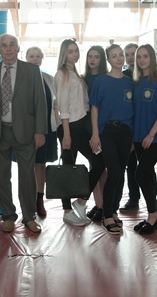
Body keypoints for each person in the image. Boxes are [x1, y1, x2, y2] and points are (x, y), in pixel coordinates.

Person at [0, 34, 47, 234]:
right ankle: (8, 216)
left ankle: (29, 217)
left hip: (25, 132)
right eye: (4, 46)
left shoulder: (32, 71)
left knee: (27, 176)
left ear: (18, 48)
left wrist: (40, 131)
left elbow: (40, 103)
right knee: (1, 176)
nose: (8, 49)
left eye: (12, 45)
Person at [53, 39, 102, 226]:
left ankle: (81, 201)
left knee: (99, 162)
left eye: (76, 51)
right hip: (70, 126)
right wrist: (66, 134)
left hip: (81, 125)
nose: (74, 54)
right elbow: (62, 106)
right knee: (68, 168)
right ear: (63, 54)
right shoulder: (62, 75)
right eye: (70, 51)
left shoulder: (77, 75)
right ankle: (67, 211)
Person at [89, 44, 134, 235]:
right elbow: (94, 108)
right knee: (113, 172)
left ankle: (113, 210)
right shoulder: (101, 81)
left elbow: (133, 110)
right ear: (108, 59)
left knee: (121, 173)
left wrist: (133, 138)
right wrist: (95, 134)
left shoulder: (130, 82)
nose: (118, 58)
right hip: (107, 131)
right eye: (114, 56)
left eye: (120, 55)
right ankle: (106, 214)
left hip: (126, 132)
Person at [131, 44, 157, 235]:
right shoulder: (136, 81)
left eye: (145, 56)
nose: (142, 60)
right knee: (148, 173)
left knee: (141, 173)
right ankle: (154, 212)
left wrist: (152, 134)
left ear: (152, 58)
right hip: (138, 135)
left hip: (155, 135)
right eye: (139, 57)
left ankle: (152, 214)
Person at [25, 46, 59, 218]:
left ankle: (39, 199)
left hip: (46, 129)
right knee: (27, 166)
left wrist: (58, 126)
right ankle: (28, 200)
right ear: (25, 58)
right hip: (26, 130)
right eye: (32, 56)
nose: (35, 59)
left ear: (42, 59)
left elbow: (55, 105)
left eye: (38, 56)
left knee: (40, 165)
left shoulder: (49, 79)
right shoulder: (20, 78)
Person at [82, 45, 108, 221]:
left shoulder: (105, 78)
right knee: (95, 165)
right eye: (90, 56)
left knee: (102, 167)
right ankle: (98, 204)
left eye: (96, 57)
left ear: (102, 59)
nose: (92, 60)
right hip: (87, 126)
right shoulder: (83, 79)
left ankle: (103, 205)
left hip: (101, 127)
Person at [121, 42, 141, 212]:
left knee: (147, 168)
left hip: (146, 127)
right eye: (126, 54)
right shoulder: (123, 77)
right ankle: (133, 198)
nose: (130, 57)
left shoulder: (148, 75)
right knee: (131, 166)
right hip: (128, 128)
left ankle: (153, 202)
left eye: (133, 54)